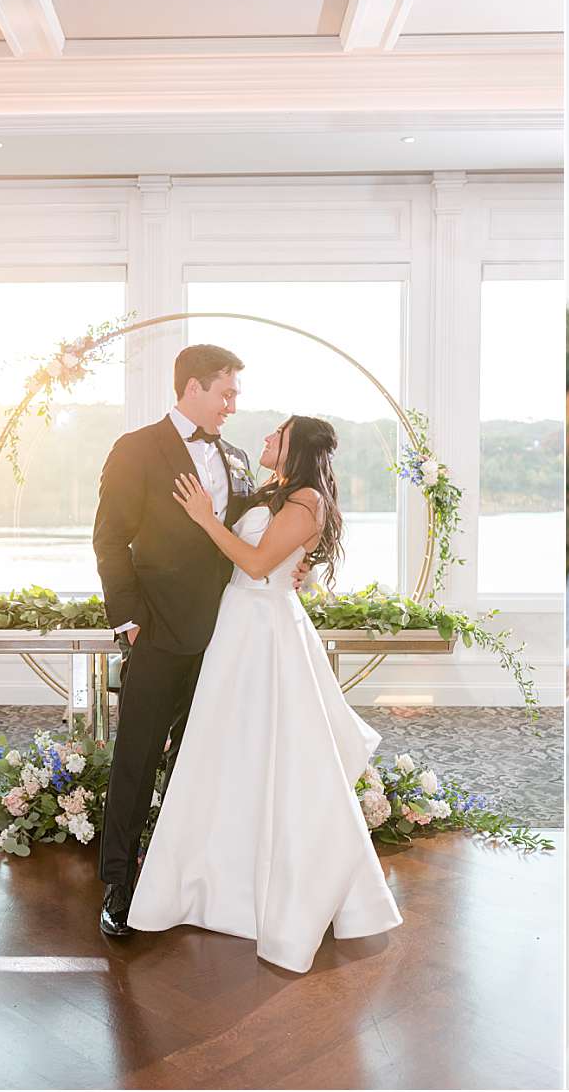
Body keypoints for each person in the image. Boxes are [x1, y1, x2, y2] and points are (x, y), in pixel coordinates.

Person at [124, 413, 402, 971]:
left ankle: (276, 891)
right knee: (224, 753)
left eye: (279, 433)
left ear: (296, 446)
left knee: (275, 753)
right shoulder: (273, 491)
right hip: (236, 627)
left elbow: (254, 564)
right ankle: (215, 883)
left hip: (265, 631)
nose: (267, 438)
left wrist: (204, 517)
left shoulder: (307, 502)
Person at [93, 344, 257, 937]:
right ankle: (118, 884)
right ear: (192, 388)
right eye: (226, 393)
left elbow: (254, 530)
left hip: (227, 635)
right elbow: (110, 539)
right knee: (136, 760)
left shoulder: (237, 456)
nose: (233, 406)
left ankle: (193, 882)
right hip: (158, 631)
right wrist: (129, 621)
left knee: (204, 761)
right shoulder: (135, 449)